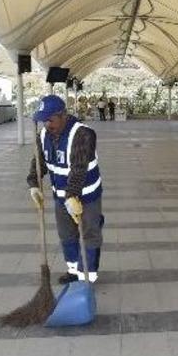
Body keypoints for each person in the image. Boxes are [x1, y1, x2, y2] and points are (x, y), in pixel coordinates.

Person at [27, 95, 104, 283]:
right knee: (66, 235)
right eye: (43, 120)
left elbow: (79, 169)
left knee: (90, 233)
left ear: (63, 115)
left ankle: (87, 276)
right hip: (61, 197)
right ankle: (73, 271)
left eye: (50, 119)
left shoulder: (83, 134)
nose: (47, 124)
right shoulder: (43, 136)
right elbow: (39, 163)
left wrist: (72, 195)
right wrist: (34, 184)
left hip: (87, 196)